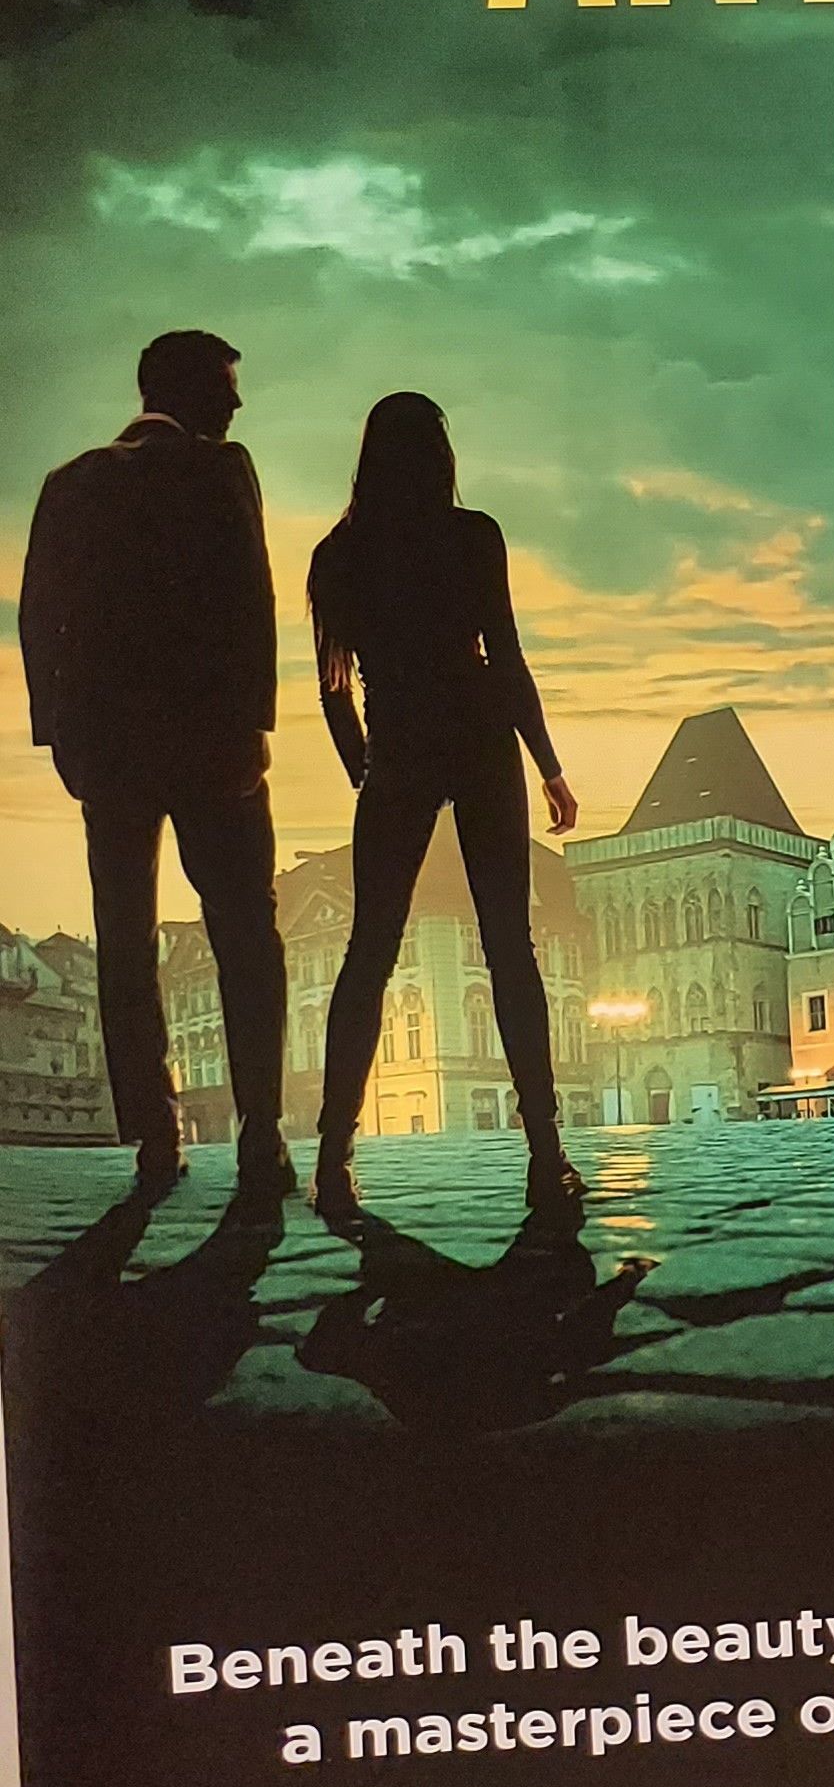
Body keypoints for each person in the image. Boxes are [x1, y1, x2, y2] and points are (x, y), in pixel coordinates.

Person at [17, 331, 293, 1201]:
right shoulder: (222, 469)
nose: (238, 403)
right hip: (213, 747)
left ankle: (155, 1136)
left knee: (127, 942)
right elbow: (254, 598)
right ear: (191, 389)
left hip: (108, 750)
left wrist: (54, 734)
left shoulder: (72, 481)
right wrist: (256, 723)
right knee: (247, 935)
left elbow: (37, 618)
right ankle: (259, 1133)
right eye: (227, 386)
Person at [305, 394, 583, 1226]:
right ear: (440, 454)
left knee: (368, 951)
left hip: (399, 745)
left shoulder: (337, 554)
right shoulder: (473, 535)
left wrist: (365, 765)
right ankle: (545, 1155)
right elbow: (506, 654)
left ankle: (332, 1159)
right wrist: (550, 765)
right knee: (509, 947)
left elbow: (332, 684)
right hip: (480, 738)